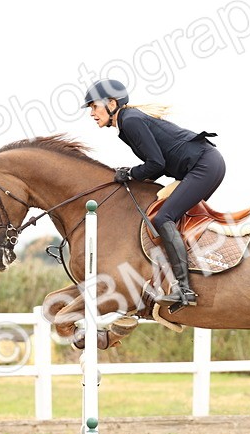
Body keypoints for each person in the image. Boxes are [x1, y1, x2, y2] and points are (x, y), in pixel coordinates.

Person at [82, 78, 225, 308]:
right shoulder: (127, 123)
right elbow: (156, 164)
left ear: (111, 103)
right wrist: (134, 177)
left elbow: (156, 164)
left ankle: (184, 289)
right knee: (165, 214)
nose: (91, 113)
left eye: (93, 107)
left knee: (163, 217)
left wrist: (129, 173)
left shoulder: (130, 121)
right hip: (203, 165)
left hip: (204, 166)